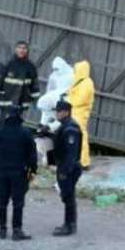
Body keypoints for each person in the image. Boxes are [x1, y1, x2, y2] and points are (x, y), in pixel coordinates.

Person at [0, 106, 38, 240]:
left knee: (2, 201)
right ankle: (16, 230)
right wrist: (31, 175)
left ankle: (2, 230)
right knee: (18, 203)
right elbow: (32, 157)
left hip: (1, 172)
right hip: (19, 173)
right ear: (20, 116)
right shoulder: (25, 133)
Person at [50, 100, 82, 236]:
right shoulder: (65, 126)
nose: (56, 113)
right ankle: (69, 224)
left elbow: (71, 154)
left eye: (59, 111)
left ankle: (69, 226)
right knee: (67, 196)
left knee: (68, 196)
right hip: (65, 166)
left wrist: (64, 171)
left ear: (66, 112)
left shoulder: (71, 129)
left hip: (68, 168)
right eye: (56, 111)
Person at [0, 41, 40, 120]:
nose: (22, 50)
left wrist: (35, 100)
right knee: (4, 124)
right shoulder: (6, 63)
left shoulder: (30, 66)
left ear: (27, 50)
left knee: (16, 125)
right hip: (6, 101)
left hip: (21, 103)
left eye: (24, 48)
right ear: (15, 49)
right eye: (19, 48)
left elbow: (34, 85)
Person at [67, 60, 96, 169]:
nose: (74, 72)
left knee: (80, 138)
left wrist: (68, 100)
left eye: (76, 70)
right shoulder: (81, 82)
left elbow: (80, 100)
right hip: (76, 113)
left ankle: (84, 162)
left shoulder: (87, 83)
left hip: (80, 114)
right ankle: (77, 160)